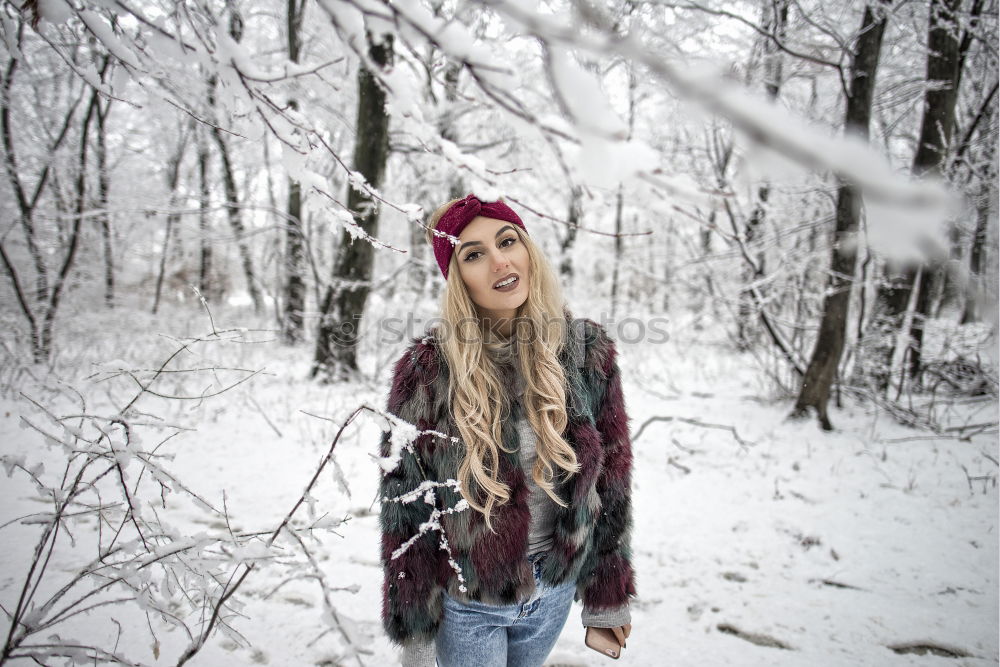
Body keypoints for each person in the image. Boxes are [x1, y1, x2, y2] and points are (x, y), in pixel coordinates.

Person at [377, 193, 636, 667]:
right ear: (459, 280)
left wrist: (606, 598)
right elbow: (406, 509)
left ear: (527, 250)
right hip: (468, 599)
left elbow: (612, 479)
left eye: (507, 241)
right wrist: (415, 638)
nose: (499, 261)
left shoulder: (585, 352)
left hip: (555, 587)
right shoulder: (427, 371)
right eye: (474, 254)